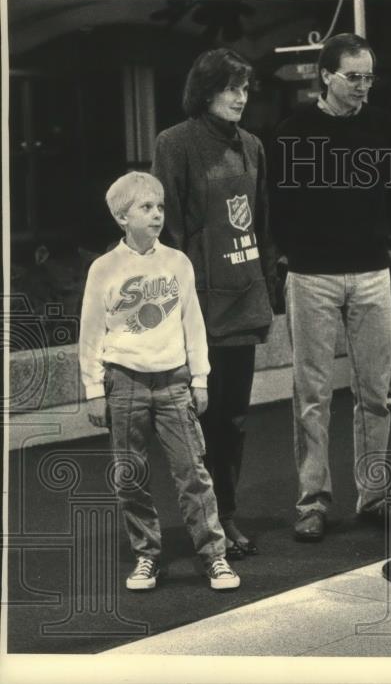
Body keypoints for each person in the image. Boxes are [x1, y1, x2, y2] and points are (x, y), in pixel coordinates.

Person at [270, 33, 391, 541]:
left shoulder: (383, 126)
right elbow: (278, 203)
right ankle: (313, 500)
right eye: (354, 77)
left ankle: (374, 496)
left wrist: (378, 237)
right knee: (312, 394)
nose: (363, 87)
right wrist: (293, 253)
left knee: (376, 392)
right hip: (312, 274)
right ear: (326, 75)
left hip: (371, 270)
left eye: (369, 77)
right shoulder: (293, 131)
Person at [79, 171, 240, 592]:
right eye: (145, 208)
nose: (155, 215)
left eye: (160, 207)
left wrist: (200, 378)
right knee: (130, 475)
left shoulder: (177, 262)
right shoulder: (104, 269)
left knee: (192, 472)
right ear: (121, 217)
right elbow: (92, 332)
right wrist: (94, 389)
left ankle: (214, 556)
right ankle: (146, 554)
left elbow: (193, 323)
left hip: (173, 382)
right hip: (124, 381)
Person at [153, 48, 275, 560]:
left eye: (245, 89)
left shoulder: (253, 146)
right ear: (205, 92)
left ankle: (225, 513)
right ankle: (204, 521)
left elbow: (262, 223)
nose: (239, 97)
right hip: (198, 307)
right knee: (196, 421)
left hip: (244, 301)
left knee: (233, 420)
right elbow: (167, 227)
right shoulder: (175, 143)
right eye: (230, 88)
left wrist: (266, 285)